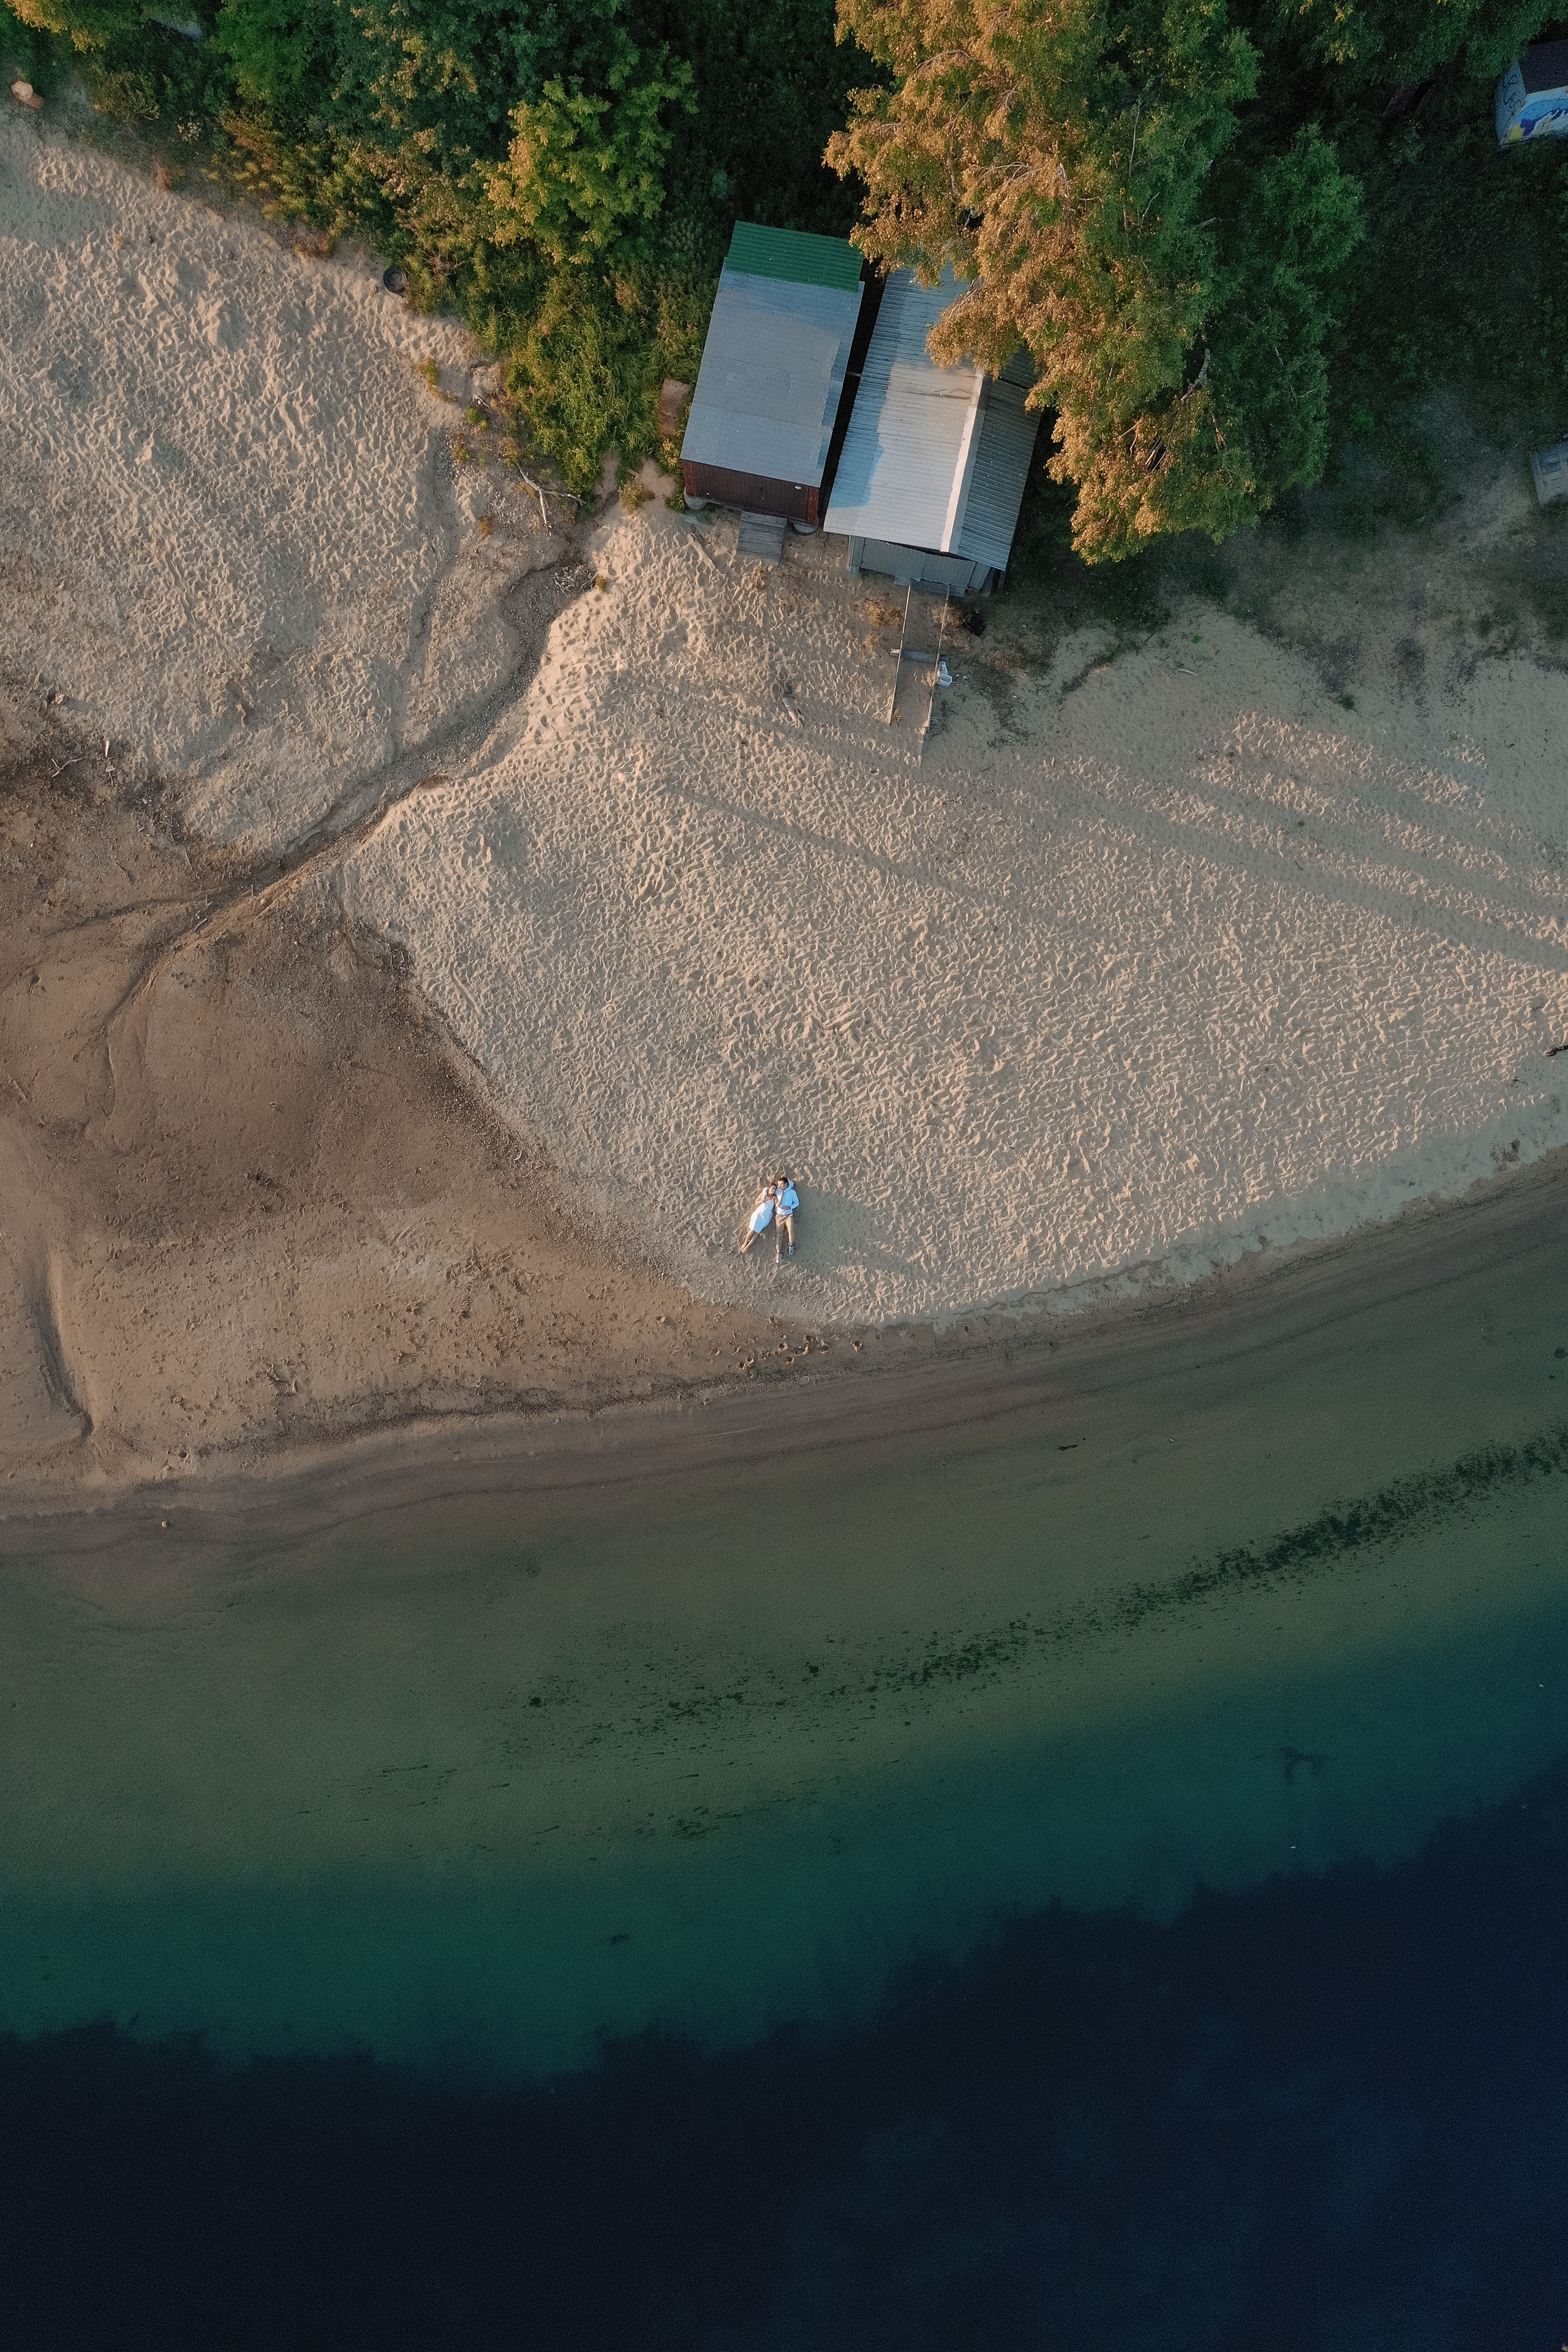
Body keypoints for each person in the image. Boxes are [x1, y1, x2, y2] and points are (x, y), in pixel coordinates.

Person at [739, 1180, 776, 1254]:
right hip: (759, 1214)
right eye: (773, 1188)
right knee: (752, 1229)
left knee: (757, 1232)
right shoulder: (763, 1195)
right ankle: (745, 1243)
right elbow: (756, 1202)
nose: (774, 1190)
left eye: (775, 1189)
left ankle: (748, 1246)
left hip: (766, 1216)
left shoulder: (774, 1197)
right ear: (769, 1188)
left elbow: (778, 1203)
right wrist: (762, 1201)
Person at [774, 1173, 800, 1262]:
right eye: (779, 1184)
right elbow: (768, 1190)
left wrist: (789, 1207)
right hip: (779, 1216)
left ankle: (791, 1245)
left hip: (789, 1215)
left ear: (786, 1184)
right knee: (779, 1234)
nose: (780, 1186)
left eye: (782, 1184)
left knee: (791, 1230)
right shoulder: (777, 1191)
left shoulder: (792, 1192)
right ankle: (778, 1253)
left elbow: (797, 1203)